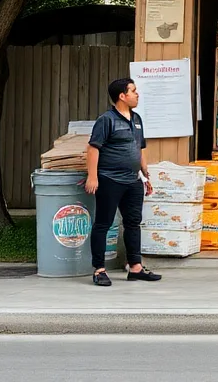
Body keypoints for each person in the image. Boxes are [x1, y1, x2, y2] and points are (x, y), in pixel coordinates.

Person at [86, 78, 162, 285]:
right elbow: (93, 148)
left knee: (133, 223)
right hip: (110, 179)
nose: (137, 95)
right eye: (133, 91)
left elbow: (139, 148)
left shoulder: (136, 119)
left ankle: (135, 267)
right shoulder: (106, 120)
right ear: (122, 96)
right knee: (103, 223)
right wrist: (93, 177)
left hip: (133, 181)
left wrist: (145, 175)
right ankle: (99, 270)